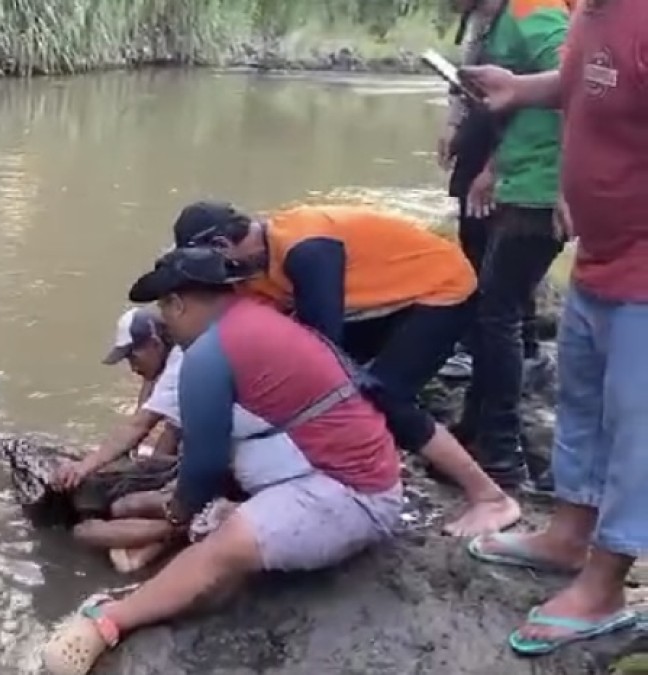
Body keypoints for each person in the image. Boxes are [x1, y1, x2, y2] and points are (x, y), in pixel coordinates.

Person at [39, 247, 405, 674]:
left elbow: (204, 465)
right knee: (178, 517)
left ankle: (107, 622)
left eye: (165, 308)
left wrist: (180, 514)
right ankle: (173, 555)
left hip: (351, 492)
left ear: (178, 303)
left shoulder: (209, 356)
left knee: (223, 544)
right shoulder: (257, 320)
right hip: (337, 469)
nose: (168, 323)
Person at [461, 0, 648, 656]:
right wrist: (521, 89)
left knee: (635, 426)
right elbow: (586, 82)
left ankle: (605, 584)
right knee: (581, 403)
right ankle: (569, 535)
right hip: (599, 256)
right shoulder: (588, 13)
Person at [171, 200, 521, 536]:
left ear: (221, 245)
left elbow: (319, 349)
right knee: (335, 386)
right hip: (376, 300)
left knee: (383, 396)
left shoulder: (307, 249)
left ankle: (490, 497)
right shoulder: (248, 271)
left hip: (440, 288)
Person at [440, 0, 571, 493]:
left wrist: (566, 180)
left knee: (500, 315)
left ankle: (501, 453)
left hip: (542, 188)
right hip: (521, 178)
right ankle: (478, 430)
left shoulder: (533, 10)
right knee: (493, 311)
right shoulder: (500, 17)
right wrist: (494, 167)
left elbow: (580, 90)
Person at [435, 0, 549, 384]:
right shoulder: (484, 16)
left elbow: (567, 88)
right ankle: (485, 354)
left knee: (500, 278)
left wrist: (496, 166)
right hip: (488, 136)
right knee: (478, 246)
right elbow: (469, 75)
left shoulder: (534, 9)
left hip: (523, 162)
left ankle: (518, 358)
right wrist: (455, 123)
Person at [52, 307, 184, 572]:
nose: (132, 367)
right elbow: (160, 423)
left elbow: (139, 425)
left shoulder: (179, 367)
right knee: (130, 489)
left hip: (214, 465)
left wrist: (83, 467)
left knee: (114, 513)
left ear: (155, 344)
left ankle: (183, 530)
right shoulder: (172, 359)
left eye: (134, 357)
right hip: (202, 456)